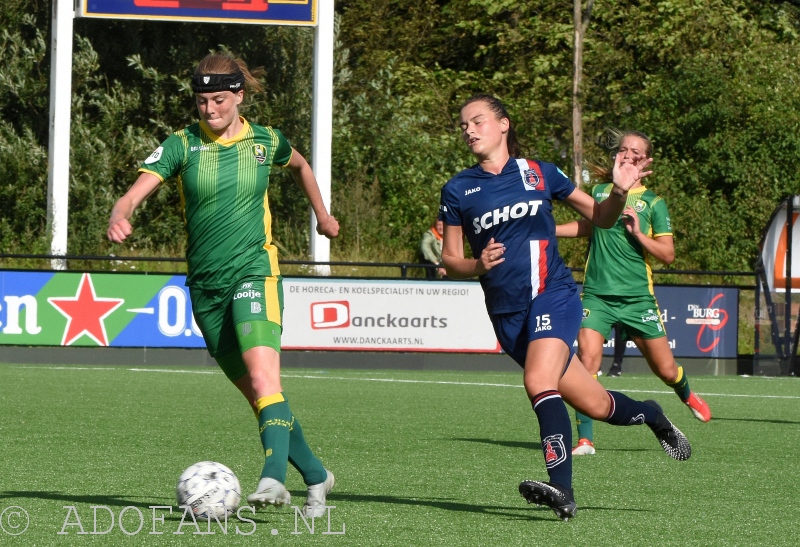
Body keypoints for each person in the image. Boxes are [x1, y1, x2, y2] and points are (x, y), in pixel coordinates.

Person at [439, 94, 691, 521]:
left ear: (503, 124)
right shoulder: (458, 189)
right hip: (507, 315)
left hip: (552, 295)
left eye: (477, 120)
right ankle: (653, 414)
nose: (469, 129)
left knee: (539, 381)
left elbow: (603, 218)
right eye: (463, 125)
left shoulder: (541, 173)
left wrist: (618, 191)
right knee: (595, 405)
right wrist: (475, 264)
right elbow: (450, 259)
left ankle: (562, 489)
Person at [107, 53, 338, 517]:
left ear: (239, 96)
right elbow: (134, 193)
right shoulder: (182, 145)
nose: (208, 110)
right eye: (200, 101)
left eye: (217, 100)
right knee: (259, 395)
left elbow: (301, 166)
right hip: (206, 289)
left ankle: (272, 477)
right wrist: (120, 212)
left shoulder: (266, 141)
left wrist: (323, 214)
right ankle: (317, 476)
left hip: (255, 271)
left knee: (263, 377)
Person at [558, 129, 712, 458]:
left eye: (636, 152)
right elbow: (588, 226)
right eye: (624, 149)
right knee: (587, 363)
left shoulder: (653, 203)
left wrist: (638, 233)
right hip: (597, 296)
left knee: (666, 370)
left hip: (637, 299)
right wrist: (550, 229)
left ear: (645, 160)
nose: (629, 154)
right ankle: (585, 440)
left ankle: (687, 395)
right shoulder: (600, 191)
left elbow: (668, 255)